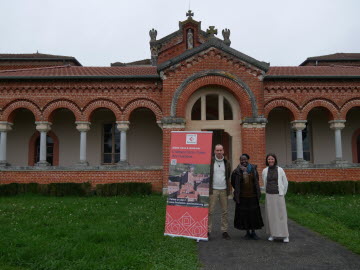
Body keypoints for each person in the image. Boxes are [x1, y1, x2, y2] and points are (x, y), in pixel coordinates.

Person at [231, 154, 263, 239]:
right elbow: (233, 183)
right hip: (242, 197)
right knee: (245, 215)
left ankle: (253, 232)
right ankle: (247, 232)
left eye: (245, 159)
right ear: (240, 161)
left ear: (248, 160)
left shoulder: (253, 169)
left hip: (253, 196)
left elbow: (256, 180)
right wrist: (238, 191)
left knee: (253, 215)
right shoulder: (236, 171)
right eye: (242, 160)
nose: (243, 161)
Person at [262, 153, 289, 243]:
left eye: (272, 159)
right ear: (267, 161)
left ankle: (285, 235)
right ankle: (272, 234)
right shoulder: (265, 171)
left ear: (275, 160)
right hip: (269, 195)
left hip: (279, 195)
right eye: (269, 159)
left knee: (281, 215)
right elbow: (264, 182)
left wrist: (283, 193)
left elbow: (285, 183)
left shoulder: (280, 170)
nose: (270, 161)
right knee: (271, 216)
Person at [208, 144, 231, 240]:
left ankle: (224, 231)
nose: (219, 152)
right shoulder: (210, 161)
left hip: (224, 189)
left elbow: (228, 174)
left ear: (223, 151)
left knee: (224, 211)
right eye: (217, 150)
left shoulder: (227, 162)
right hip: (213, 189)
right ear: (214, 151)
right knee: (210, 211)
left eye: (220, 150)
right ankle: (207, 231)